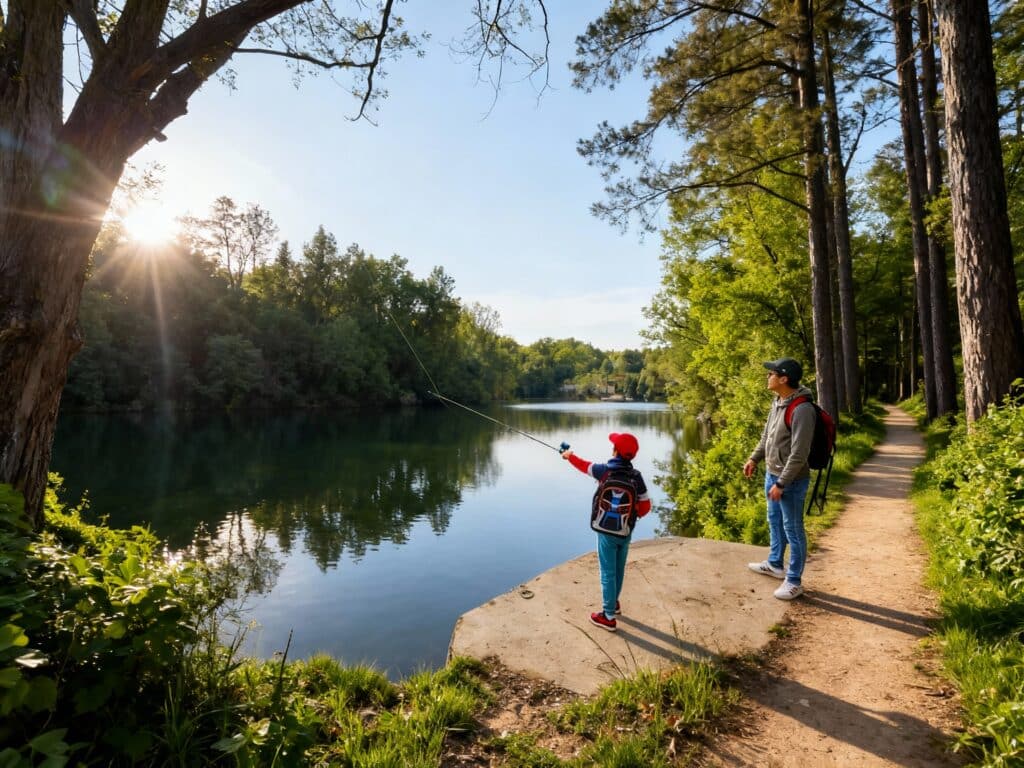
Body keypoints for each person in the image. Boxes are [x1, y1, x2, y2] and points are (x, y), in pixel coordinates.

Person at [561, 433, 651, 631]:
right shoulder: (636, 477)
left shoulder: (605, 471)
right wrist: (630, 515)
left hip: (605, 532)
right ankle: (614, 603)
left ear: (615, 451)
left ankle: (608, 616)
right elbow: (645, 507)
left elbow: (583, 465)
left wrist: (568, 455)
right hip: (626, 531)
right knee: (618, 568)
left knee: (607, 572)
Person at [743, 357, 815, 600]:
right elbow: (767, 437)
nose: (768, 376)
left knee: (793, 528)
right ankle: (775, 563)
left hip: (791, 480)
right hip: (772, 474)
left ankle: (794, 580)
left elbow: (799, 453)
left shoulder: (802, 409)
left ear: (784, 379)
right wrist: (754, 459)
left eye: (771, 373)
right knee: (774, 520)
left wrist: (782, 483)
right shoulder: (778, 402)